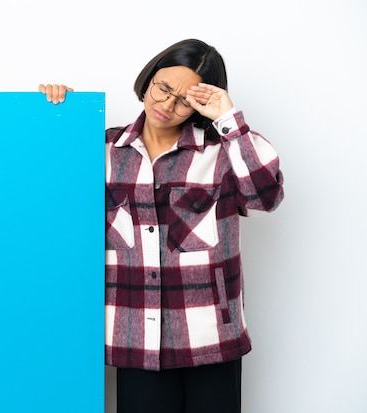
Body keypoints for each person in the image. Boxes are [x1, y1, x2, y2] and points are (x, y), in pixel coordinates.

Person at [39, 39, 284, 413]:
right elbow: (44, 192)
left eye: (185, 99)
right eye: (164, 88)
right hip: (135, 339)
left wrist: (228, 118)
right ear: (149, 78)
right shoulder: (101, 150)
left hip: (211, 339)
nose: (167, 106)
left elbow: (266, 196)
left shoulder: (221, 154)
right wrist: (60, 118)